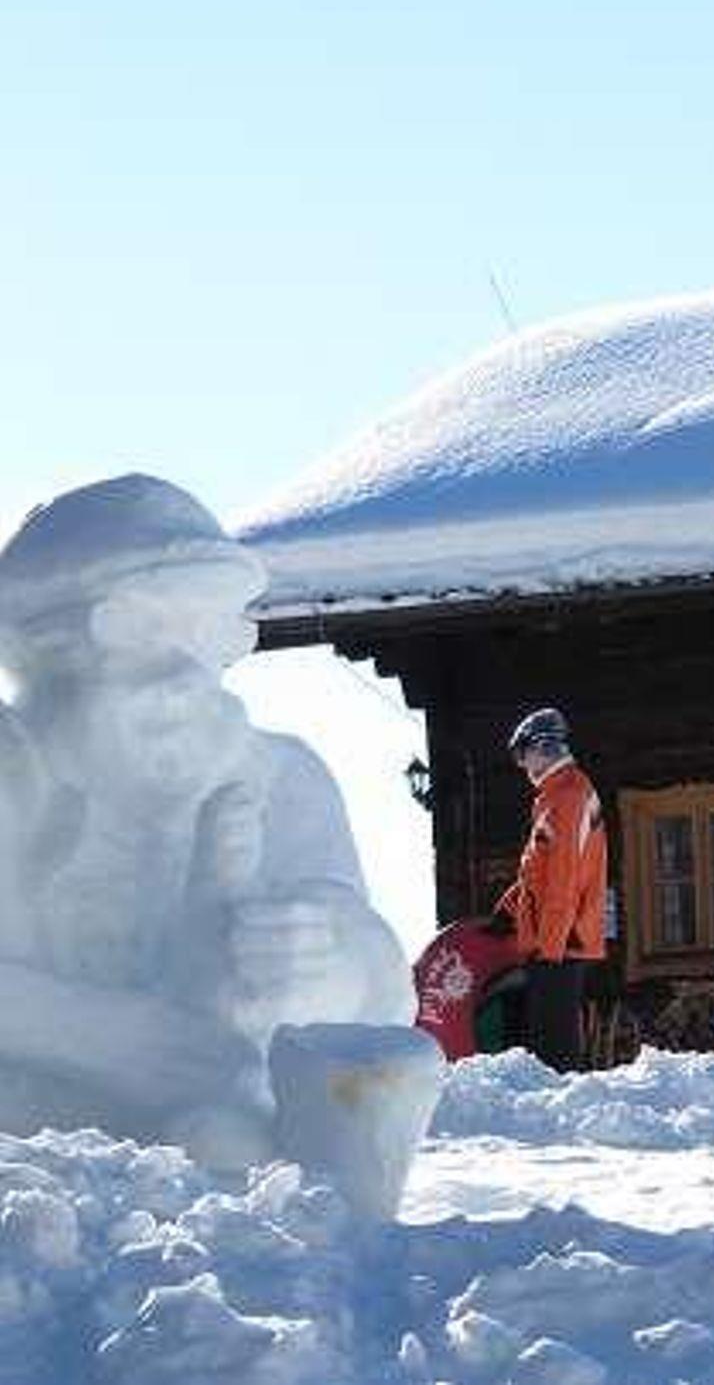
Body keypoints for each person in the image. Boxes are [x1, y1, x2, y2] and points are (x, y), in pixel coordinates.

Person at [0, 474, 415, 1170]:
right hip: (34, 1136)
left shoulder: (281, 779)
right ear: (54, 651)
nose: (179, 676)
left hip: (224, 1121)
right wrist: (118, 1040)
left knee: (245, 1138)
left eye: (204, 632)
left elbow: (380, 989)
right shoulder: (14, 778)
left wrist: (320, 963)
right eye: (141, 632)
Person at [497, 706, 608, 1072]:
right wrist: (509, 908)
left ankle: (562, 1107)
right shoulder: (555, 795)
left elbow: (564, 879)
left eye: (522, 755)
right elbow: (539, 873)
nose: (522, 766)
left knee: (554, 1052)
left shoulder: (568, 797)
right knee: (546, 1043)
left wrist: (550, 948)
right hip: (556, 940)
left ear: (542, 748)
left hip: (562, 943)